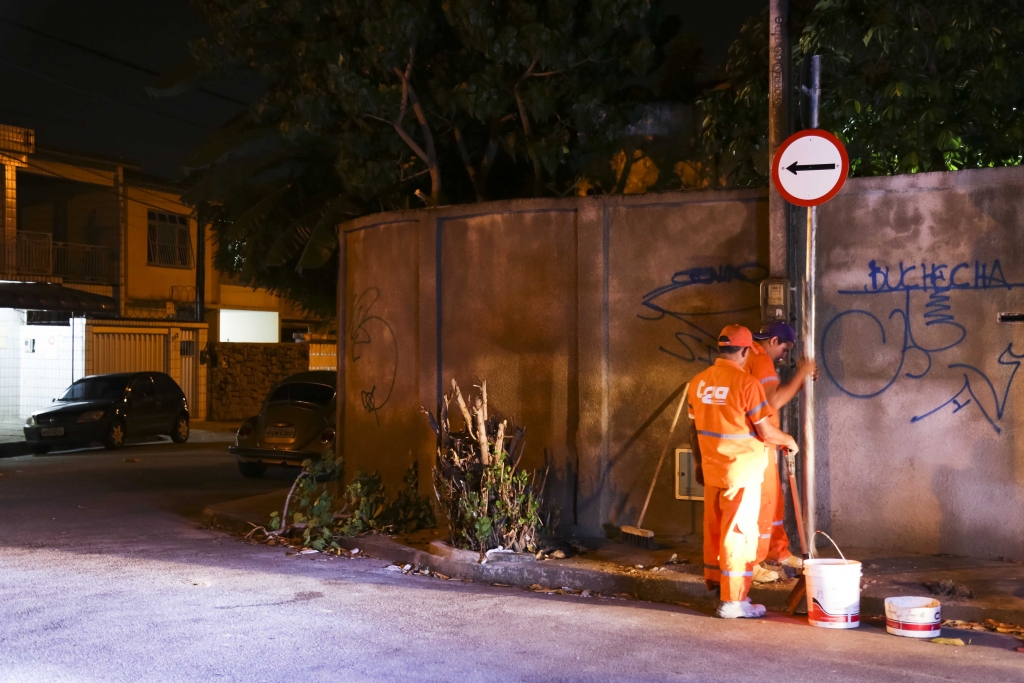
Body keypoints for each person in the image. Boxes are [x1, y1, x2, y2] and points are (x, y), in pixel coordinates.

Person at [687, 325, 799, 619]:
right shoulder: (747, 384)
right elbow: (765, 430)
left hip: (713, 472)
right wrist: (788, 440)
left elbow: (692, 429)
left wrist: (698, 463)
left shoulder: (698, 383)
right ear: (747, 350)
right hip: (742, 473)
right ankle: (733, 601)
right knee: (738, 536)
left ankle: (718, 585)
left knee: (716, 532)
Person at [747, 322, 817, 574]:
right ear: (774, 341)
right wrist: (801, 374)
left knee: (773, 501)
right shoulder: (761, 359)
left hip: (761, 440)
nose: (784, 357)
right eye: (785, 350)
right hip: (756, 442)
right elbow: (772, 400)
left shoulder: (750, 356)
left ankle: (777, 550)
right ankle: (753, 563)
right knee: (762, 504)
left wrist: (801, 380)